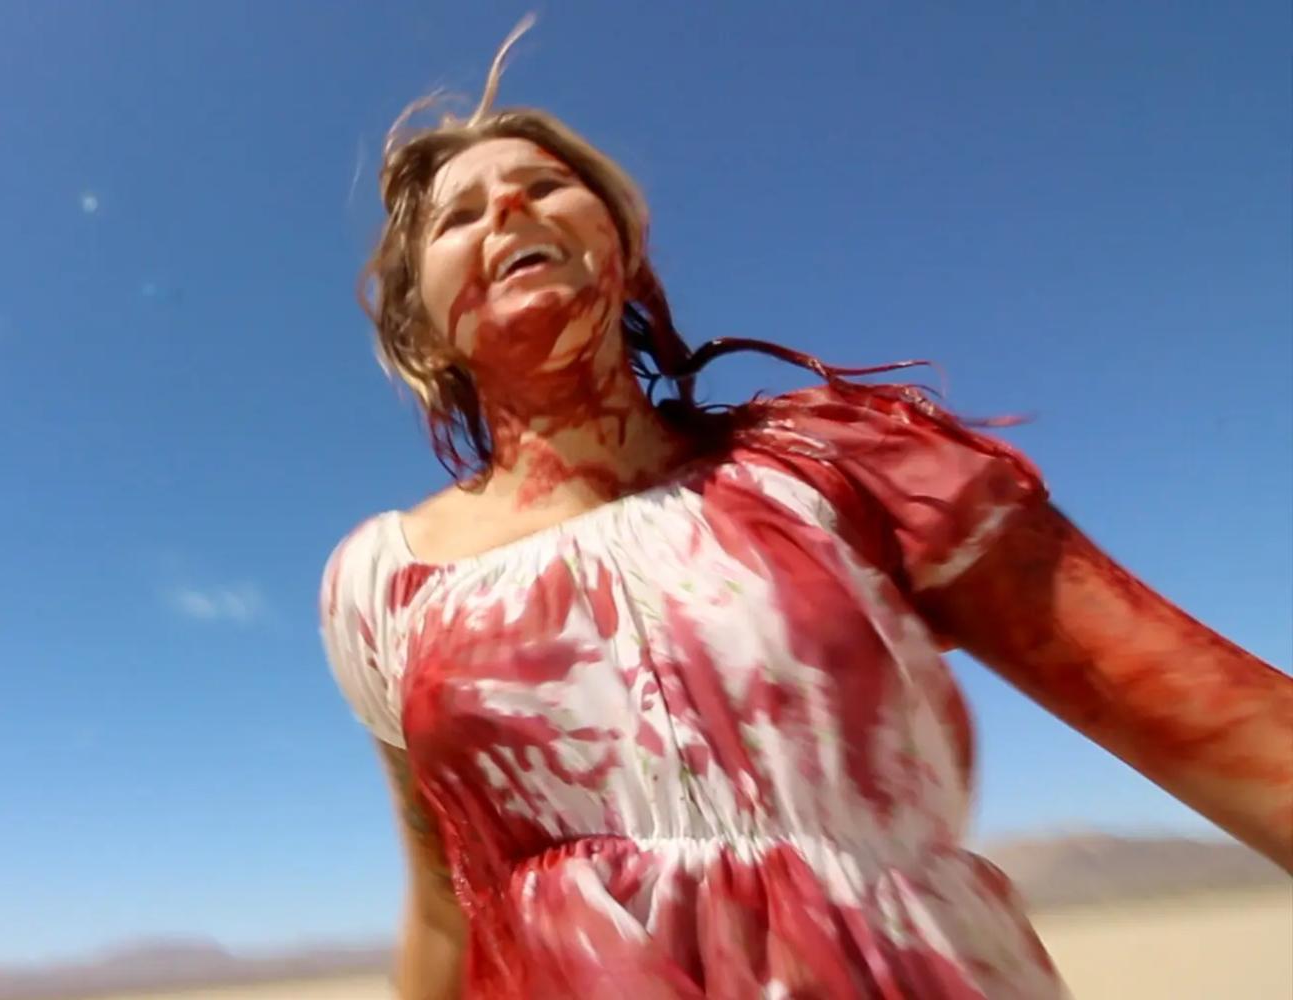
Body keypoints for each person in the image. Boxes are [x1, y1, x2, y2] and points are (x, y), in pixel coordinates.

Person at [317, 18, 1293, 1000]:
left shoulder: (836, 463)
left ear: (619, 246)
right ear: (423, 331)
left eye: (542, 185)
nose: (508, 211)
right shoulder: (384, 586)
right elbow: (447, 901)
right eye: (458, 215)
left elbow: (1220, 725)